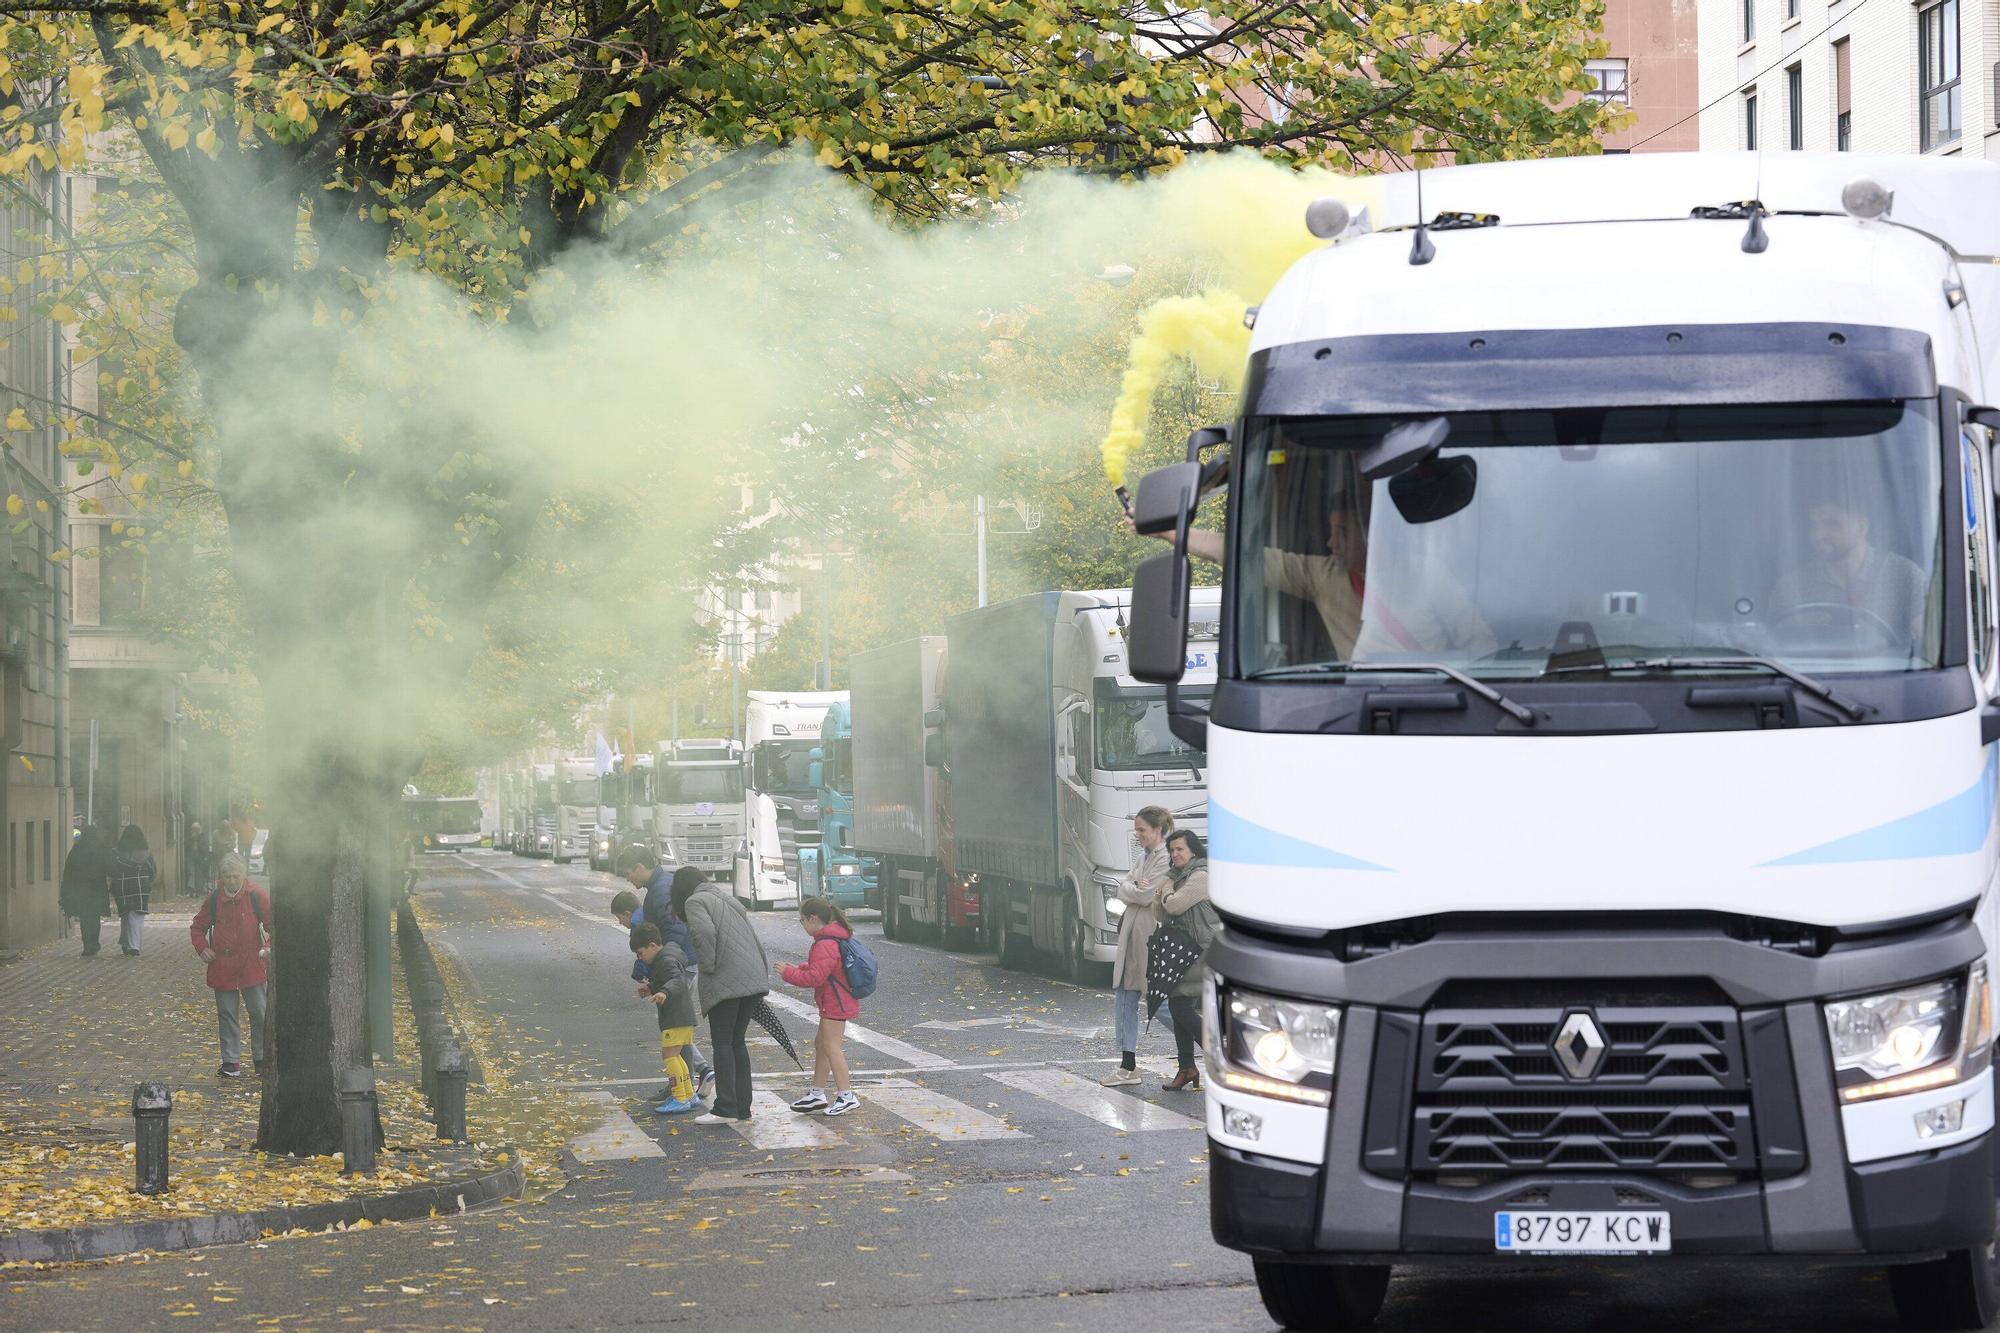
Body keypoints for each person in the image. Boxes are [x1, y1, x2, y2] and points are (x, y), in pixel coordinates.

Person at [1132, 481, 1494, 660]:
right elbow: (1242, 555)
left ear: (1373, 533)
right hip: (1362, 716)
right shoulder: (1324, 576)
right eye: (1330, 530)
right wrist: (1169, 532)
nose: (1330, 543)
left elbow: (1480, 644)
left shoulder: (1427, 575)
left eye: (1342, 532)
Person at [673, 870, 772, 1126]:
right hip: (752, 978)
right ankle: (742, 1106)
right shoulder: (728, 900)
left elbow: (704, 934)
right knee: (737, 1042)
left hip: (726, 981)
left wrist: (708, 966)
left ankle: (725, 1106)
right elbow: (754, 939)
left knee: (723, 1044)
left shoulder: (694, 902)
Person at [1770, 497, 1928, 649]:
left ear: (1861, 526)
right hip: (1810, 676)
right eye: (1813, 525)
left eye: (1831, 524)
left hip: (1886, 674)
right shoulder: (1792, 585)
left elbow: (1928, 640)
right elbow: (1774, 647)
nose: (1818, 535)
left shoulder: (1904, 575)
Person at [610, 880, 715, 1102]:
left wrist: (655, 984)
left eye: (619, 918)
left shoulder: (643, 926)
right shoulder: (651, 907)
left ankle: (685, 1088)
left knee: (673, 1041)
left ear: (627, 913)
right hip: (680, 966)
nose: (620, 922)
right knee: (678, 1034)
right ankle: (690, 1085)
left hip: (677, 971)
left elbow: (672, 976)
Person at [1102, 805, 1174, 1087]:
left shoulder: (1164, 858)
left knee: (1158, 1001)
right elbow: (1126, 885)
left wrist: (1131, 888)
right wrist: (1131, 887)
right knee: (1126, 995)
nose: (1138, 836)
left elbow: (1143, 895)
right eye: (1136, 830)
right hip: (1134, 932)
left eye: (1142, 830)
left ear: (1157, 830)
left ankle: (1205, 1042)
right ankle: (1127, 1064)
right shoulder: (1146, 856)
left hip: (1147, 934)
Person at [191, 853, 272, 1078]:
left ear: (244, 875)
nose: (232, 881)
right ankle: (230, 1061)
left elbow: (274, 926)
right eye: (227, 876)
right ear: (222, 877)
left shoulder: (257, 896)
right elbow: (198, 927)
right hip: (223, 965)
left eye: (236, 876)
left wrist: (267, 947)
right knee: (227, 1014)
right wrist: (202, 948)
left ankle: (262, 1059)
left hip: (251, 963)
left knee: (260, 1013)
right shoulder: (215, 897)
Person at [779, 897, 861, 1118]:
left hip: (835, 1001)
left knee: (831, 1047)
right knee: (822, 1044)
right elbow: (824, 969)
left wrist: (789, 973)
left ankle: (846, 1096)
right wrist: (799, 967)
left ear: (813, 918)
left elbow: (816, 977)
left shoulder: (825, 942)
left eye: (802, 920)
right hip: (835, 999)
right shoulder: (830, 938)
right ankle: (817, 1093)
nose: (802, 925)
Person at [1155, 829, 1219, 1093]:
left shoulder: (1200, 876)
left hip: (1201, 949)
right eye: (1172, 850)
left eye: (1180, 849)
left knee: (1180, 1006)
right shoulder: (1179, 877)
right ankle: (1187, 1067)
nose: (1175, 854)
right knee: (1178, 1002)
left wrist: (1166, 889)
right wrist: (1165, 890)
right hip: (1183, 949)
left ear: (1193, 849)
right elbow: (1160, 911)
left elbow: (1174, 906)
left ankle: (1217, 1052)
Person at [629, 922, 701, 1115]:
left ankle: (680, 1097)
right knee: (677, 1056)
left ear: (653, 946)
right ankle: (688, 1094)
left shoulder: (665, 960)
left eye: (641, 953)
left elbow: (675, 980)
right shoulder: (669, 955)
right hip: (683, 1015)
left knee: (669, 1056)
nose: (640, 958)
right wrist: (652, 987)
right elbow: (669, 978)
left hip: (675, 1015)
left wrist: (663, 992)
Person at [58, 825, 112, 957]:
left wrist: (67, 890)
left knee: (84, 917)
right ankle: (94, 943)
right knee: (94, 917)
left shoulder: (76, 850)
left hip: (81, 889)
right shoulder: (101, 850)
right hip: (97, 889)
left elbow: (68, 872)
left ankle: (87, 944)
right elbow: (109, 867)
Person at [109, 824, 157, 957]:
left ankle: (126, 943)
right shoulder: (146, 854)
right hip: (141, 887)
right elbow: (153, 870)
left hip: (124, 887)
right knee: (137, 917)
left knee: (126, 915)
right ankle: (134, 945)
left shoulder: (117, 853)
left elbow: (113, 870)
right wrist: (148, 881)